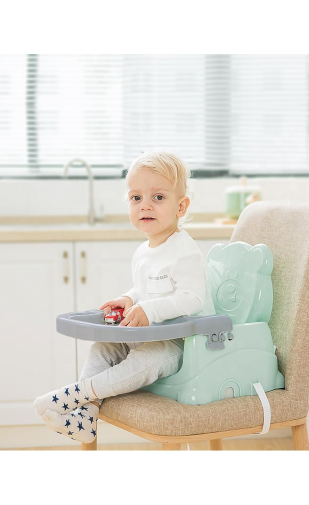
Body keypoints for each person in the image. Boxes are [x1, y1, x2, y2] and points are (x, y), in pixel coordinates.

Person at [33, 151, 216, 443]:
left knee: (145, 361)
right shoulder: (143, 251)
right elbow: (145, 289)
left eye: (158, 197)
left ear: (181, 207)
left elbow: (192, 299)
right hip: (144, 334)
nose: (145, 205)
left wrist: (150, 310)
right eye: (136, 198)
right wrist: (129, 299)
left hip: (177, 345)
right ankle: (87, 415)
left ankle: (76, 395)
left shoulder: (185, 250)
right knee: (102, 347)